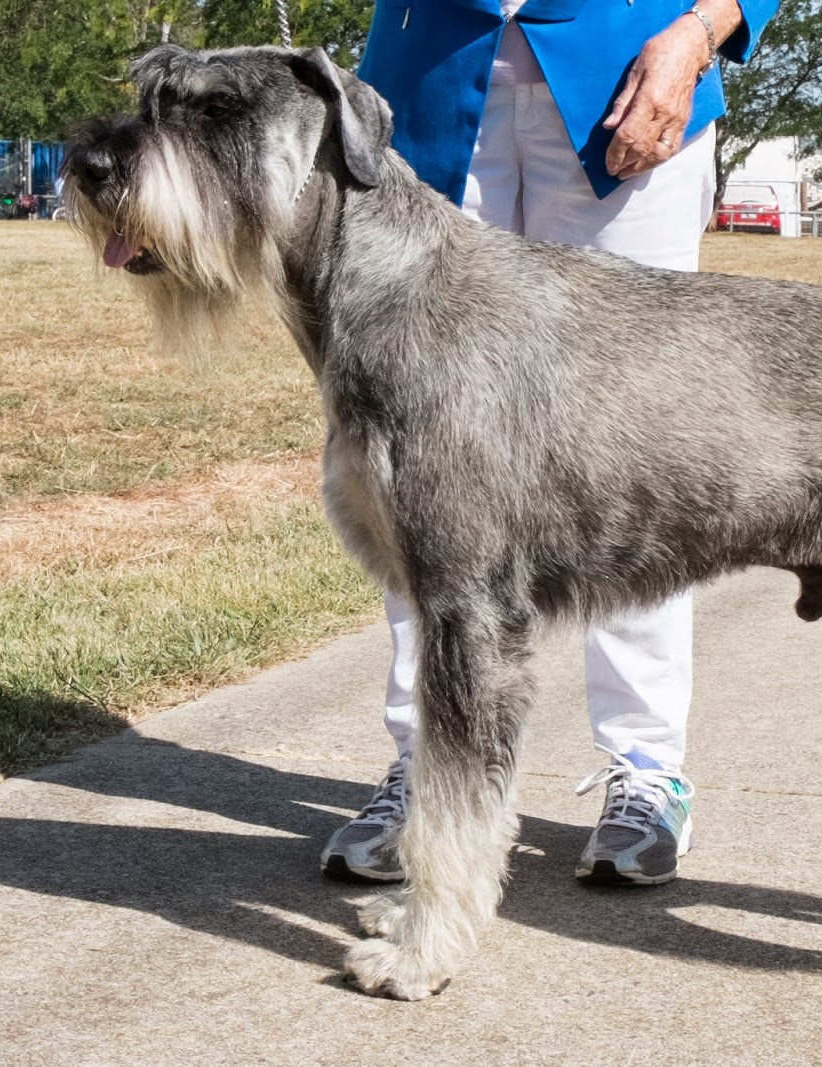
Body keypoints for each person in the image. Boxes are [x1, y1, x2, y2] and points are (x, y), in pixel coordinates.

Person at [320, 0, 779, 888]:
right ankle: (428, 764)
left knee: (636, 449)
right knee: (422, 458)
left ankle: (645, 770)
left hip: (632, 59)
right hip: (434, 59)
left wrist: (701, 34)